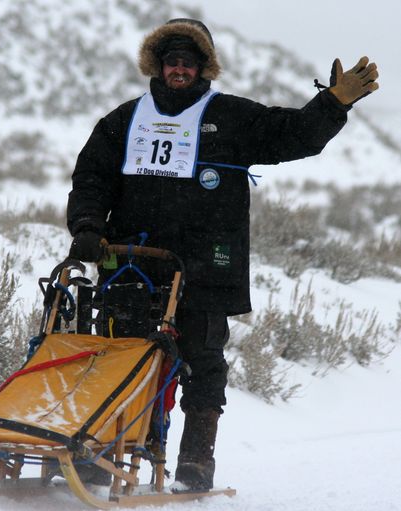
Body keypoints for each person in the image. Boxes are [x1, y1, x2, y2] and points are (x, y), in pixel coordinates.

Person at [66, 18, 379, 492]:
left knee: (202, 362)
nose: (179, 69)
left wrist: (332, 104)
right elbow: (90, 179)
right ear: (158, 64)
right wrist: (88, 228)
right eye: (171, 60)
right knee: (119, 358)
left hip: (205, 266)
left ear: (202, 68)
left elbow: (292, 134)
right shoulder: (123, 121)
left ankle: (195, 461)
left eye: (188, 62)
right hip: (129, 261)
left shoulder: (231, 117)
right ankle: (110, 448)